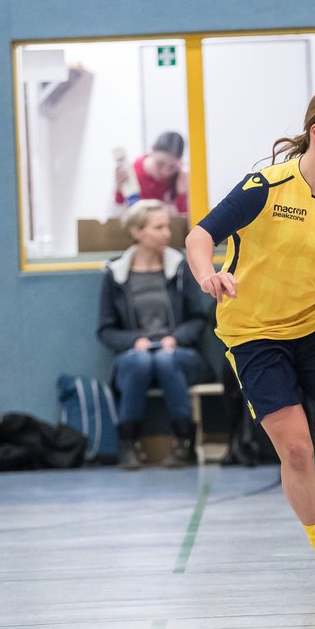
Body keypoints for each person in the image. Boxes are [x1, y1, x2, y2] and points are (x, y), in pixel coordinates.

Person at [185, 85, 315, 586]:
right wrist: (206, 274)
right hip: (253, 336)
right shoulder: (265, 188)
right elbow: (198, 236)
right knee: (294, 450)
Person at [96, 200, 211, 468]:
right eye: (158, 227)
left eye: (167, 227)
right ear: (137, 232)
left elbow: (198, 319)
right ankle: (128, 443)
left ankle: (185, 443)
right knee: (141, 360)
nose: (166, 233)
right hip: (136, 354)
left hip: (179, 353)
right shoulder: (115, 275)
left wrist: (176, 338)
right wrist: (134, 342)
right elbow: (105, 330)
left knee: (164, 359)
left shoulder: (181, 267)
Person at [114, 131, 189, 215]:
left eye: (171, 167)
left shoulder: (180, 178)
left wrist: (182, 194)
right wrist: (119, 191)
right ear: (152, 151)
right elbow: (115, 216)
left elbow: (184, 222)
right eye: (160, 164)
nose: (165, 172)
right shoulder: (130, 173)